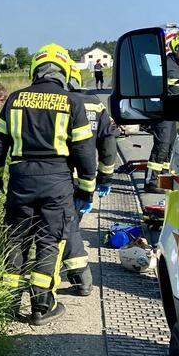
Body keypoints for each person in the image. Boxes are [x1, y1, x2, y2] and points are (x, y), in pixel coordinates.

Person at [0, 43, 96, 326]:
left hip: (21, 179)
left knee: (16, 238)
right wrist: (86, 189)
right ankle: (41, 307)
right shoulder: (72, 102)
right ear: (64, 71)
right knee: (49, 241)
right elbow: (84, 151)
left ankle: (8, 302)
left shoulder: (14, 100)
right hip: (56, 182)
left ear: (35, 69)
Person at [61, 67, 120, 296]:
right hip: (86, 178)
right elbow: (107, 142)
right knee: (70, 225)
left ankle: (76, 278)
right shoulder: (96, 105)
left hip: (60, 177)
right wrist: (106, 177)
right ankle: (77, 277)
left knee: (65, 228)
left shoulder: (59, 101)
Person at [146, 32, 179, 193]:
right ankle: (151, 181)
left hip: (173, 112)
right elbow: (177, 89)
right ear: (178, 49)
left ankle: (162, 177)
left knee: (170, 145)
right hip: (163, 111)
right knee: (162, 145)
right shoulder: (170, 65)